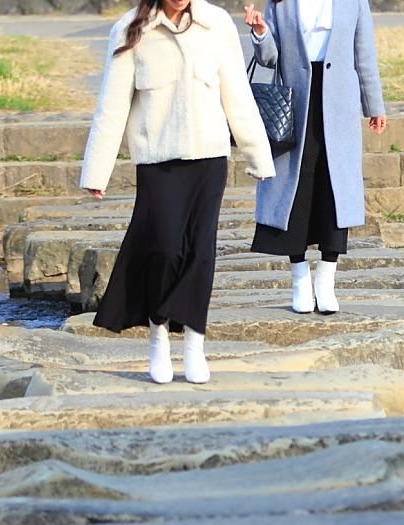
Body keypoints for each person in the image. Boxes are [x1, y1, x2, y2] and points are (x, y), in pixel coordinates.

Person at [80, 0, 275, 384]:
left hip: (209, 158)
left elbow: (237, 94)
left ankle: (195, 344)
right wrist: (97, 170)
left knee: (200, 252)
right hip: (158, 160)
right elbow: (112, 105)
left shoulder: (216, 23)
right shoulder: (130, 29)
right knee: (165, 249)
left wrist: (259, 156)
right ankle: (158, 334)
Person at [243, 0, 387, 315]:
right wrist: (260, 32)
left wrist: (373, 105)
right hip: (295, 105)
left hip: (339, 105)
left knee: (333, 186)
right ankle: (299, 280)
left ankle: (326, 280)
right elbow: (269, 59)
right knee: (295, 190)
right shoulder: (279, 4)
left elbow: (364, 54)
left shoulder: (354, 3)